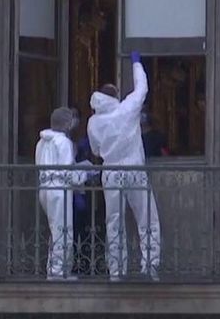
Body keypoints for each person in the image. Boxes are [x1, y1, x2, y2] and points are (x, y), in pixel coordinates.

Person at [87, 51, 161, 280]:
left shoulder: (93, 122)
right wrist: (136, 63)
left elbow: (95, 151)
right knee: (147, 219)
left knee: (114, 222)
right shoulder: (127, 108)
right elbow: (142, 88)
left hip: (111, 172)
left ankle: (117, 270)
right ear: (116, 96)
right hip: (134, 169)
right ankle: (150, 266)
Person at [36, 106, 92, 280]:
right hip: (59, 190)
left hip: (44, 188)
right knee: (63, 230)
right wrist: (85, 173)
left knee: (55, 229)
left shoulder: (42, 142)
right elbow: (68, 172)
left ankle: (53, 269)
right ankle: (59, 272)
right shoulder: (64, 142)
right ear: (67, 123)